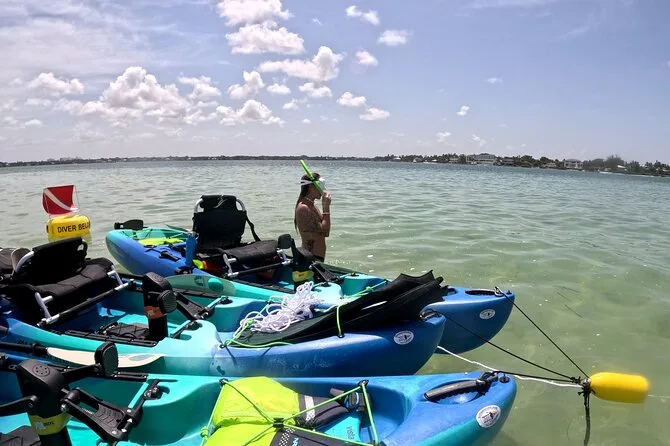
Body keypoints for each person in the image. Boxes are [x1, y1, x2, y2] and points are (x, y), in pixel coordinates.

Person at [294, 172, 331, 262]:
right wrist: (326, 207)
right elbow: (325, 232)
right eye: (320, 187)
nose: (322, 191)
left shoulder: (312, 205)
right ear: (311, 187)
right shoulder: (304, 208)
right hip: (310, 258)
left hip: (315, 257)